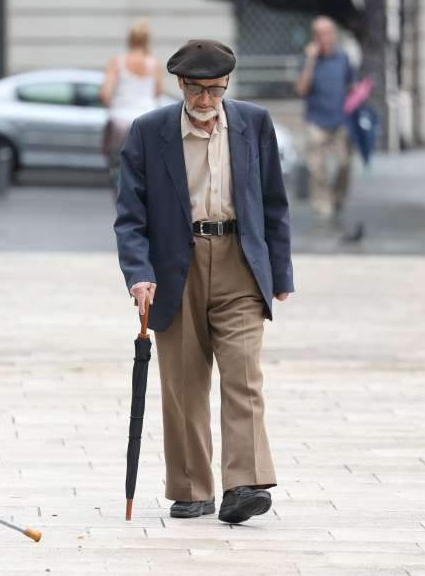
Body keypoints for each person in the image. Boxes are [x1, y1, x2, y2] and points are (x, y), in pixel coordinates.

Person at [114, 39, 294, 524]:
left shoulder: (254, 123)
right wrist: (139, 274)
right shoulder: (150, 132)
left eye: (215, 89)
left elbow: (274, 202)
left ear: (227, 85)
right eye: (197, 89)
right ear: (180, 85)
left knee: (243, 375)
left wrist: (280, 271)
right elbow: (130, 217)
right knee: (185, 384)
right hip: (176, 266)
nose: (206, 99)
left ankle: (245, 484)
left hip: (239, 261)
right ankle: (192, 489)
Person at [294, 16, 354, 221]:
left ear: (334, 34)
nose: (324, 38)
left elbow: (350, 85)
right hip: (316, 121)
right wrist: (310, 60)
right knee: (316, 168)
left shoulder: (343, 58)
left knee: (344, 163)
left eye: (327, 33)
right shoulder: (308, 60)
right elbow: (301, 90)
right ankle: (323, 204)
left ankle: (337, 197)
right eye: (319, 34)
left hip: (340, 120)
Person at [99, 19, 162, 190]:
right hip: (146, 119)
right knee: (145, 166)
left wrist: (115, 104)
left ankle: (122, 198)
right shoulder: (153, 63)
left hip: (120, 120)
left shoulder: (117, 62)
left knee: (118, 166)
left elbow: (104, 93)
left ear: (130, 39)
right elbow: (157, 92)